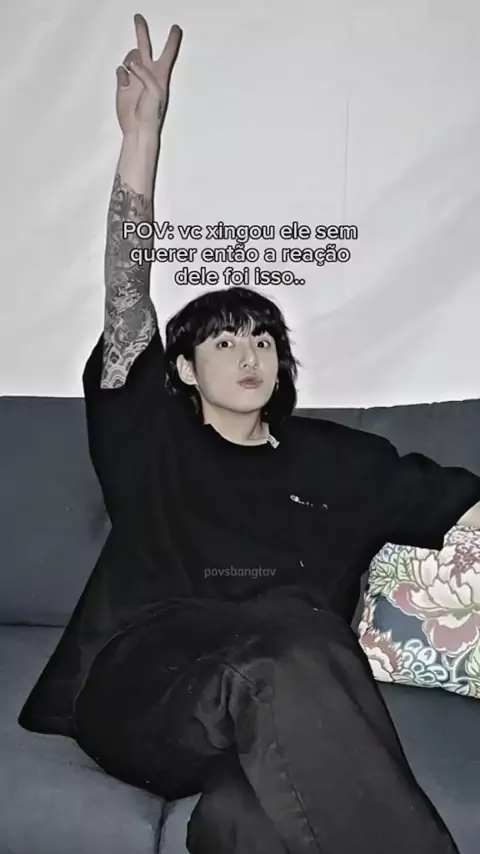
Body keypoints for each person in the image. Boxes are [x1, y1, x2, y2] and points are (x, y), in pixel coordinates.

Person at [70, 14, 480, 854]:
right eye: (222, 342)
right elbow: (125, 301)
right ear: (184, 371)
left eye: (261, 338)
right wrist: (141, 141)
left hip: (284, 698)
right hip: (153, 689)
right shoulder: (156, 446)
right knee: (297, 629)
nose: (248, 353)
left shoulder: (341, 460)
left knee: (248, 821)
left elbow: (463, 505)